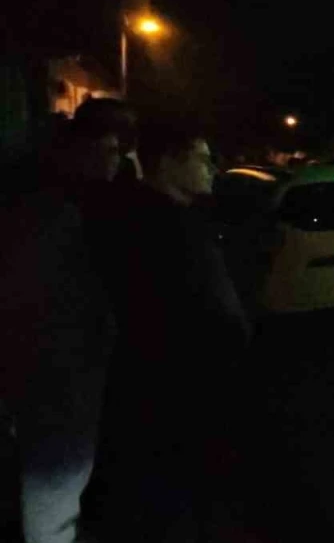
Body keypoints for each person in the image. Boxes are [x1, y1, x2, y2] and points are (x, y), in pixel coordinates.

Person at [91, 118, 251, 542]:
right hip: (176, 395)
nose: (212, 168)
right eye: (202, 159)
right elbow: (210, 311)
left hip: (157, 392)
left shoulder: (145, 215)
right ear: (166, 163)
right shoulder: (163, 226)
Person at [2, 114, 122, 543]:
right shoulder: (52, 214)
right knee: (53, 490)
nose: (114, 161)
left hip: (67, 379)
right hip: (56, 380)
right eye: (106, 151)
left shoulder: (74, 210)